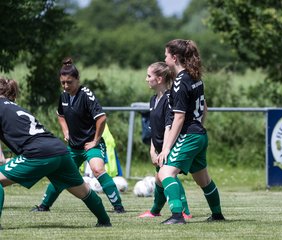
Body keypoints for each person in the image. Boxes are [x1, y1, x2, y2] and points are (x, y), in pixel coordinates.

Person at [0, 77, 111, 229]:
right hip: (58, 149)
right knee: (83, 191)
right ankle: (105, 221)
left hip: (38, 153)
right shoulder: (14, 107)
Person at [32, 58, 125, 213]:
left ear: (77, 80)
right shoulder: (63, 96)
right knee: (59, 173)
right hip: (74, 146)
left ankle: (118, 207)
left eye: (69, 82)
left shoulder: (86, 94)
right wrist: (66, 132)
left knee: (97, 169)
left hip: (90, 144)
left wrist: (95, 140)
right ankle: (44, 206)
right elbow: (60, 115)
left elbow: (101, 118)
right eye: (63, 83)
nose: (66, 86)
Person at [157, 39, 225, 224]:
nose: (164, 58)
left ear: (175, 57)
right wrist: (198, 126)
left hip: (190, 135)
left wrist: (166, 148)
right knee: (203, 180)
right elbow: (204, 108)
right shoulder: (195, 77)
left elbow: (178, 118)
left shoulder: (180, 82)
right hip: (199, 134)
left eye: (166, 55)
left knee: (165, 174)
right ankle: (217, 214)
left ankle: (178, 216)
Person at [138, 62, 192, 219]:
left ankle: (184, 212)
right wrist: (152, 149)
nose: (146, 79)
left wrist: (164, 150)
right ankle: (155, 211)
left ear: (159, 79)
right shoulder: (153, 99)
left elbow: (169, 126)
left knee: (167, 176)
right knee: (159, 179)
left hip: (169, 146)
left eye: (149, 76)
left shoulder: (169, 98)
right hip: (158, 147)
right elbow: (154, 128)